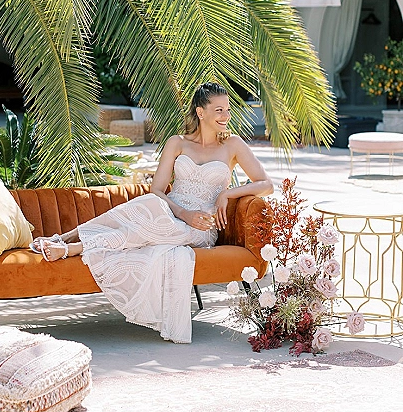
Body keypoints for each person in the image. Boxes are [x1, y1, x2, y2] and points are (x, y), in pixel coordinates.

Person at [32, 82, 273, 343]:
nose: (225, 116)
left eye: (226, 110)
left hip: (200, 227)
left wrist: (227, 193)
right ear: (200, 113)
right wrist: (181, 212)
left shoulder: (233, 145)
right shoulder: (177, 143)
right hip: (171, 212)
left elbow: (266, 184)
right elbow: (158, 190)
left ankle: (71, 246)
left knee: (144, 226)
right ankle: (67, 238)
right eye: (218, 110)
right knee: (145, 208)